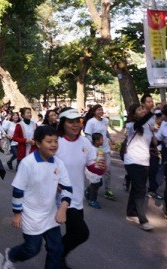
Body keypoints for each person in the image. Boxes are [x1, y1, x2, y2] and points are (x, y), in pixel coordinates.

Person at [2, 125, 72, 269]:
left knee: (56, 249)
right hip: (31, 215)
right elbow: (18, 191)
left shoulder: (59, 163)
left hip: (50, 213)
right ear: (38, 143)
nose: (53, 145)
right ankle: (11, 255)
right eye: (49, 141)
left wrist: (62, 209)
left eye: (55, 141)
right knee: (32, 249)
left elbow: (67, 188)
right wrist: (17, 214)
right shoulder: (28, 164)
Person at [55, 107, 105, 268]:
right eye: (71, 122)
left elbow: (92, 165)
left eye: (78, 121)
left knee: (74, 233)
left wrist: (100, 167)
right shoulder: (55, 142)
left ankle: (57, 257)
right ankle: (55, 255)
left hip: (75, 197)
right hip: (56, 197)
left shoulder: (84, 142)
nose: (76, 125)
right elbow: (43, 166)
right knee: (81, 233)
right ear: (63, 123)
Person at [125, 104, 155, 231]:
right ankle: (143, 220)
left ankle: (131, 213)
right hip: (132, 161)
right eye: (140, 109)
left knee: (136, 188)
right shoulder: (131, 125)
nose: (143, 110)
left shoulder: (148, 125)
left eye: (144, 109)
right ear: (133, 113)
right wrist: (150, 113)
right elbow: (141, 122)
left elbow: (154, 140)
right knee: (141, 190)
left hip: (145, 161)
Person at [84, 104, 116, 200]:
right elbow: (88, 135)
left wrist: (111, 138)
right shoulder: (91, 122)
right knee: (95, 172)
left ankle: (108, 190)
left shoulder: (105, 120)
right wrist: (93, 147)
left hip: (105, 149)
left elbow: (105, 131)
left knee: (108, 170)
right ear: (94, 112)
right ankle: (91, 189)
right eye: (98, 110)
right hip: (96, 151)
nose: (101, 111)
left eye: (101, 110)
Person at [84, 133, 105, 209]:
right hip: (93, 170)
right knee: (95, 184)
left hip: (97, 170)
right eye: (101, 140)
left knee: (98, 183)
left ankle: (87, 191)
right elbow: (92, 161)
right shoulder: (92, 149)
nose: (103, 141)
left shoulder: (98, 149)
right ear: (96, 141)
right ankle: (92, 200)